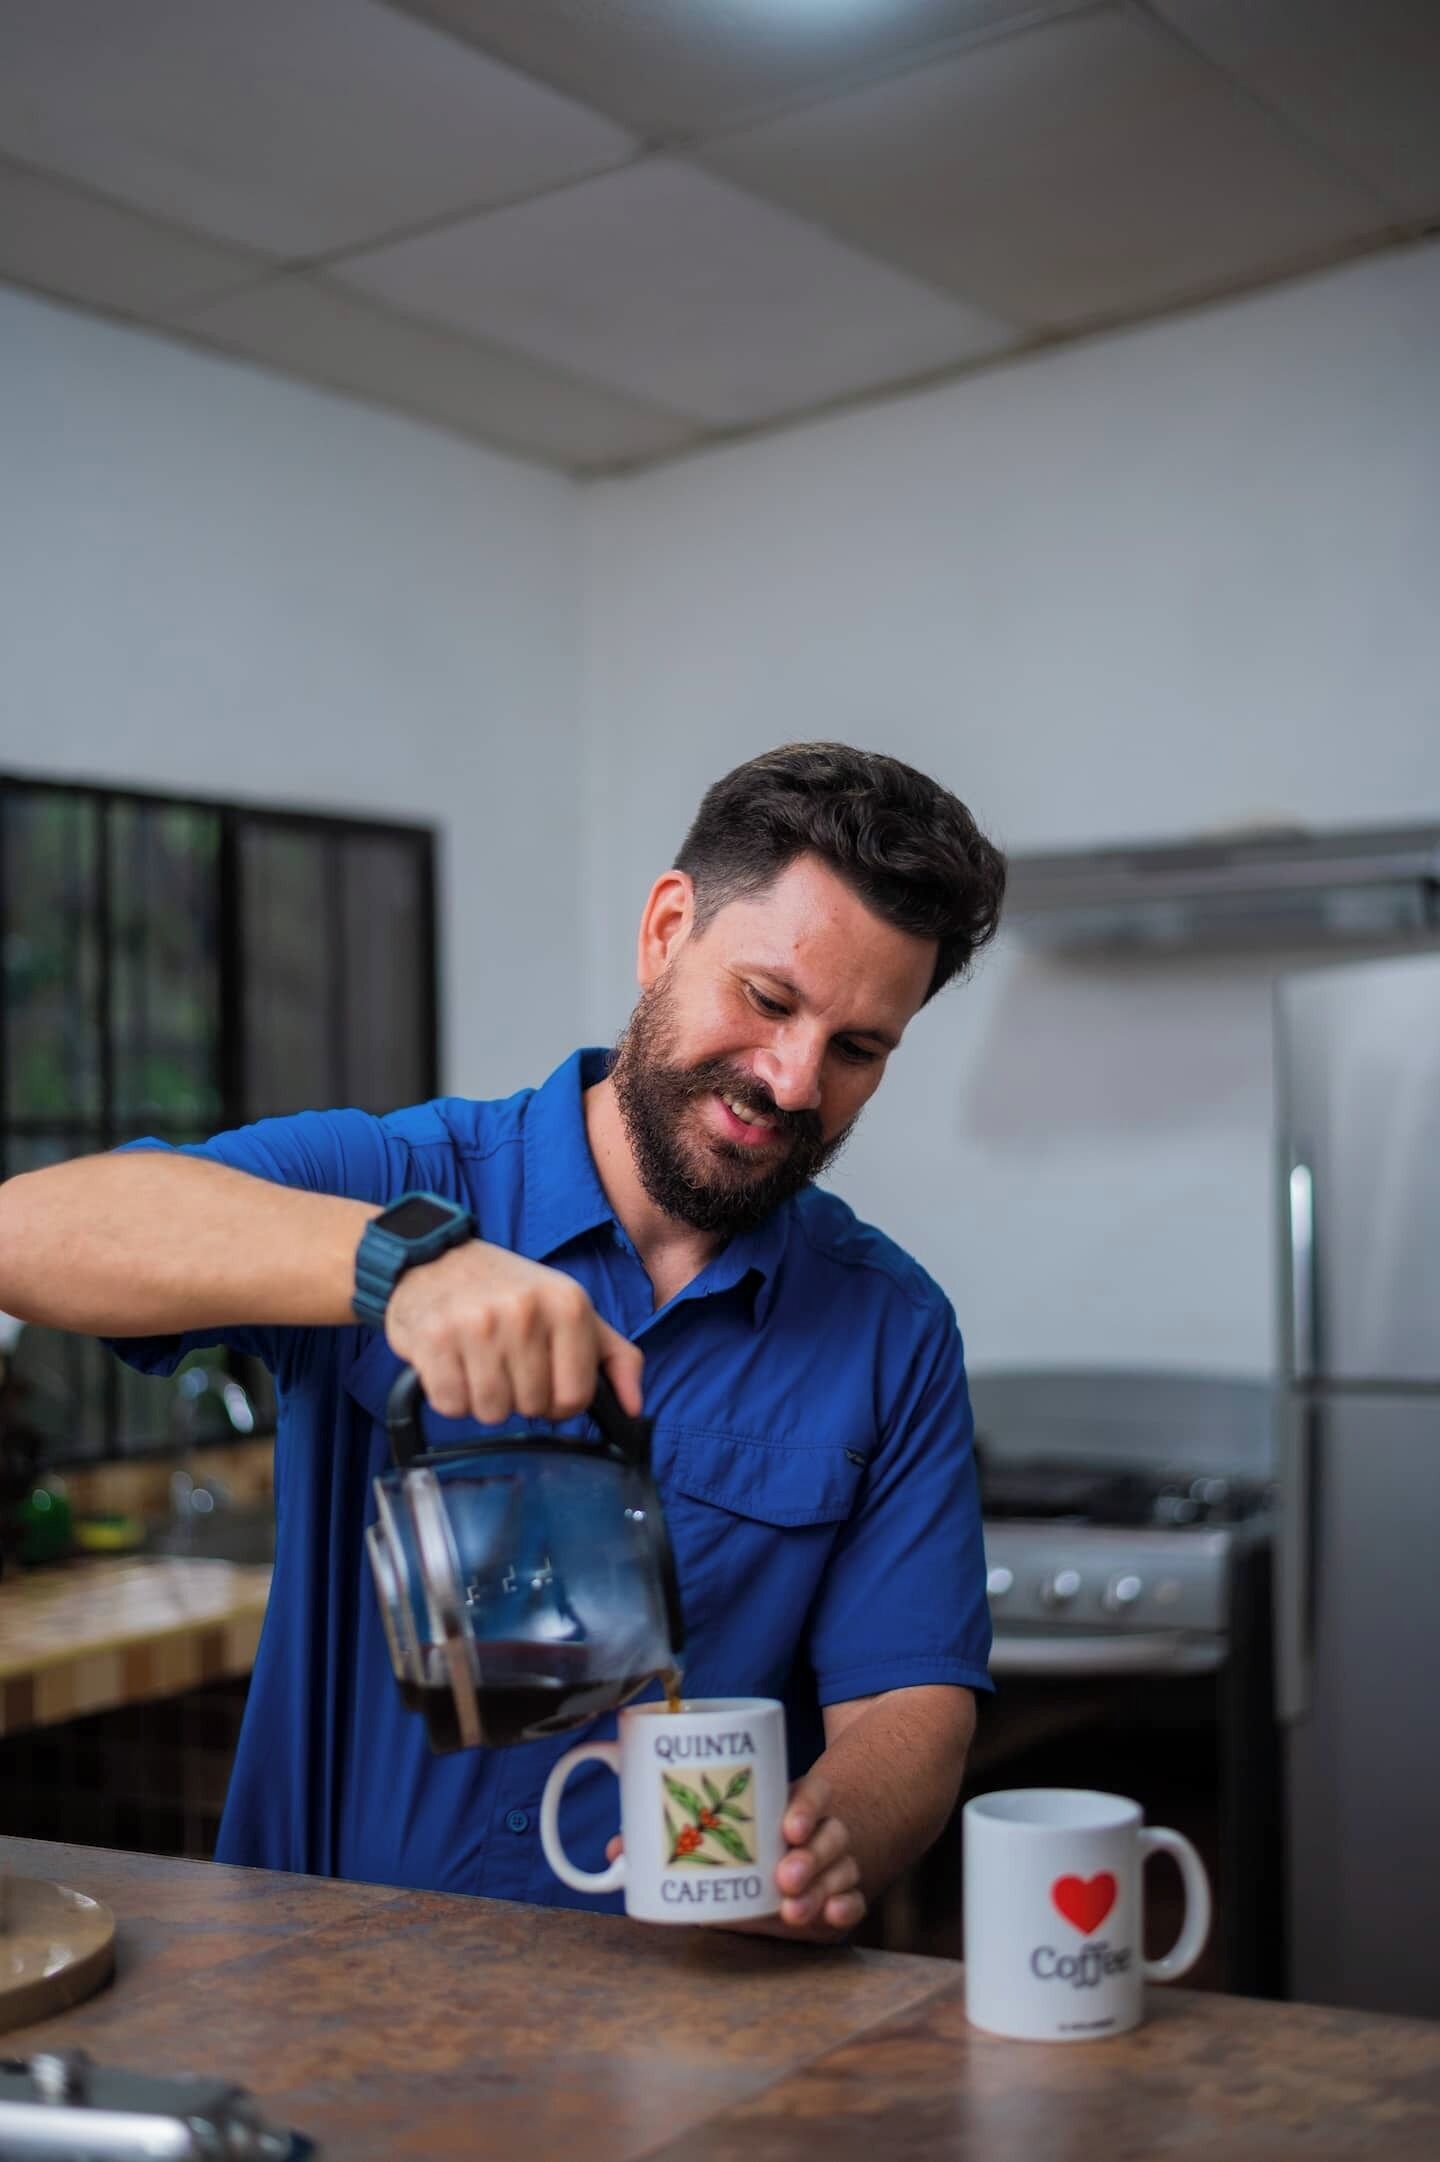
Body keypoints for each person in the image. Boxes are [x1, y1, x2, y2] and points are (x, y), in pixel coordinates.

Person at [0, 742, 1005, 1940]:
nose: (793, 1081)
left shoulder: (893, 1328)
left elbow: (909, 1699)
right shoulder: (398, 1176)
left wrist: (830, 1830)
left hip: (688, 2036)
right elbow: (30, 1231)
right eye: (769, 999)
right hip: (327, 2002)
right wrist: (395, 1267)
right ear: (667, 927)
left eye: (857, 1050)